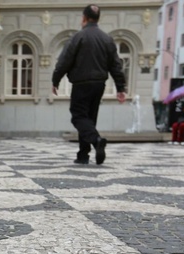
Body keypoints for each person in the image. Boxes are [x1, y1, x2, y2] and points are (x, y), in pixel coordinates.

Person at [52, 4, 126, 164]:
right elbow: (115, 64)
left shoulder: (78, 37)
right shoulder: (107, 39)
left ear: (84, 18)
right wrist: (121, 87)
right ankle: (83, 155)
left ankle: (96, 140)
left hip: (81, 83)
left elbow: (64, 60)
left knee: (78, 116)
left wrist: (56, 80)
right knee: (89, 119)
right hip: (99, 84)